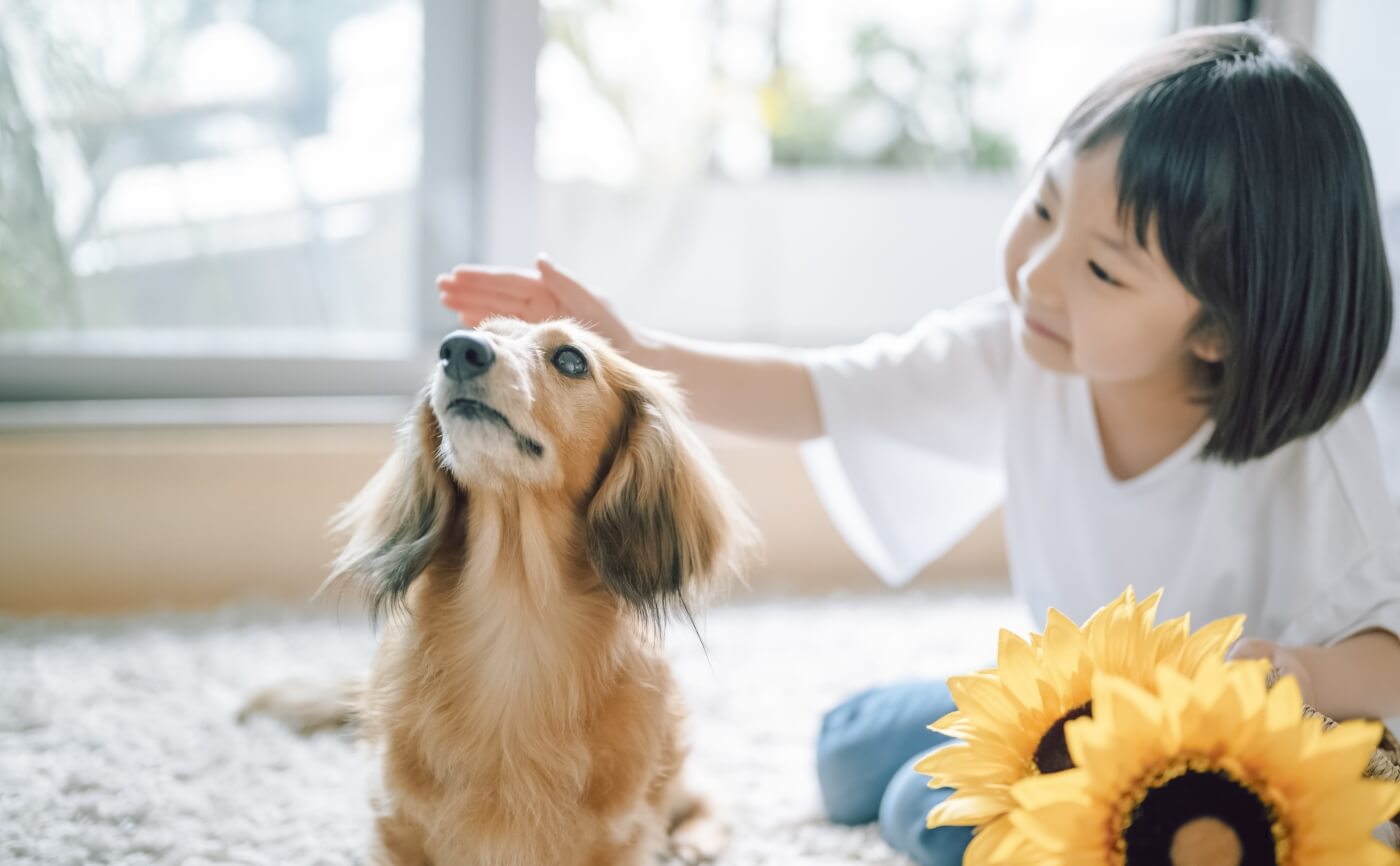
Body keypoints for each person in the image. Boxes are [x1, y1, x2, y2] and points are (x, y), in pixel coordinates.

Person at [435, 22, 1400, 865]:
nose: (1039, 275)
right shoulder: (1027, 345)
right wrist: (635, 349)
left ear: (1218, 329)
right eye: (1045, 207)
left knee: (921, 813)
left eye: (1103, 267)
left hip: (1215, 767)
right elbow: (829, 392)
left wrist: (1302, 674)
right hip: (1078, 703)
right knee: (845, 749)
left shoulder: (1325, 463)